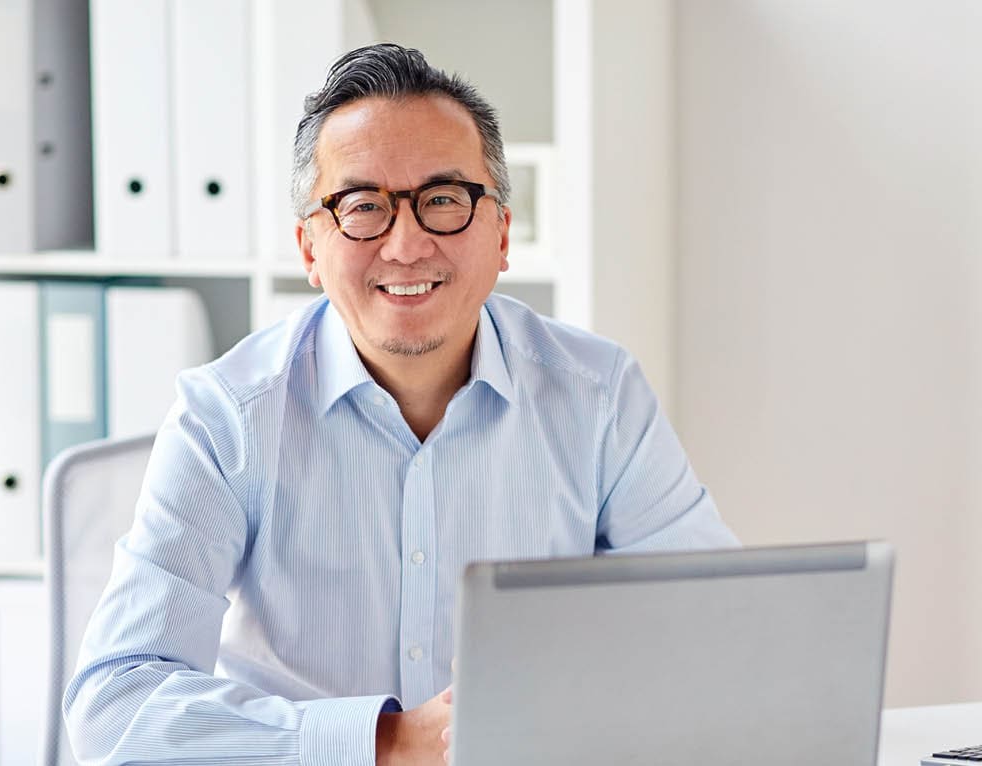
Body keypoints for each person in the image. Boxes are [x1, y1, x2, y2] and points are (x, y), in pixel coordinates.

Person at [64, 43, 738, 766]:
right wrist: (379, 743)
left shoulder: (600, 397)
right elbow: (116, 706)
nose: (408, 244)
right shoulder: (226, 417)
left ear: (503, 233)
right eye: (363, 208)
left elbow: (713, 636)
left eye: (444, 200)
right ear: (310, 251)